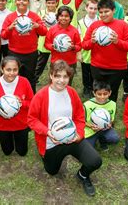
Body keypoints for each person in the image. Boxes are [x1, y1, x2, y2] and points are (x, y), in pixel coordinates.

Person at [28, 60, 102, 197]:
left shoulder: (72, 93)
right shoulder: (41, 95)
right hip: (52, 142)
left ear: (69, 77)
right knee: (52, 171)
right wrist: (47, 132)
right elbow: (32, 119)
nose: (61, 80)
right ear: (51, 76)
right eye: (57, 76)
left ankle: (83, 176)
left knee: (95, 161)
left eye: (65, 77)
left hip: (73, 139)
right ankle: (45, 156)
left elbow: (80, 116)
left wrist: (79, 134)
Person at [81, 0, 128, 102]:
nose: (103, 14)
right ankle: (97, 114)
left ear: (114, 10)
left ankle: (109, 114)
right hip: (97, 66)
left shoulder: (123, 25)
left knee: (112, 93)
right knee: (98, 92)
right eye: (100, 12)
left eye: (106, 11)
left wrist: (117, 41)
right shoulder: (95, 26)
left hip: (117, 68)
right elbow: (84, 45)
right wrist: (92, 41)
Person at [0, 56, 34, 156]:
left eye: (15, 70)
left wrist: (21, 103)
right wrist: (0, 111)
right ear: (2, 69)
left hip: (21, 124)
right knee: (7, 152)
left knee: (22, 152)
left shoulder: (24, 82)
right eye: (8, 70)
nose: (11, 73)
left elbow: (32, 102)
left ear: (18, 69)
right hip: (3, 125)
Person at [1, 0, 47, 93]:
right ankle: (14, 98)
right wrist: (10, 28)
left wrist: (37, 26)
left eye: (24, 0)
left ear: (28, 2)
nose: (21, 2)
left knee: (30, 78)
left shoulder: (34, 16)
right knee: (14, 78)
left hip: (31, 53)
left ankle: (31, 100)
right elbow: (3, 35)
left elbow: (44, 32)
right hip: (14, 53)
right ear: (15, 2)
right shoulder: (10, 17)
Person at [44, 6, 81, 85]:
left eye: (66, 16)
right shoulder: (52, 29)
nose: (64, 18)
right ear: (57, 17)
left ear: (70, 18)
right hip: (56, 61)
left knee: (67, 83)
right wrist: (52, 46)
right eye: (61, 15)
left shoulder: (74, 31)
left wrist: (73, 47)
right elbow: (46, 44)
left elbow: (79, 46)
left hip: (70, 62)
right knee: (54, 82)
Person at [84, 81, 119, 150]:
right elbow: (81, 120)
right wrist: (91, 126)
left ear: (110, 93)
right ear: (94, 93)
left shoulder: (113, 104)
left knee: (114, 139)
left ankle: (102, 141)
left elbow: (111, 119)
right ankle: (95, 138)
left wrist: (110, 124)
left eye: (105, 94)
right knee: (88, 148)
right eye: (99, 94)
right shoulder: (87, 105)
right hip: (90, 129)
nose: (102, 97)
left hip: (105, 129)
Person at [77, 0, 99, 98]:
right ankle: (86, 88)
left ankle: (95, 88)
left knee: (95, 72)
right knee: (86, 71)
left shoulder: (100, 21)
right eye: (91, 8)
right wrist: (79, 53)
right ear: (86, 8)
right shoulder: (81, 22)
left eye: (95, 8)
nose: (93, 11)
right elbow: (78, 38)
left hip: (97, 52)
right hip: (85, 51)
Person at [34, 0, 58, 84]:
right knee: (40, 63)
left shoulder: (59, 13)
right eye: (49, 3)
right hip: (43, 42)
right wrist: (41, 22)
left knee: (56, 64)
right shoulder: (41, 13)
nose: (51, 5)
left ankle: (54, 81)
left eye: (53, 3)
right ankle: (34, 78)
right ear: (46, 3)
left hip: (56, 42)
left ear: (56, 3)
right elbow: (37, 27)